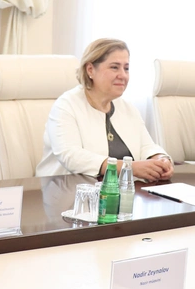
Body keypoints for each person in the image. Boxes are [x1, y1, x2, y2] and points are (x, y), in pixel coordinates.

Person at [35, 38, 173, 182]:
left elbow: (146, 146)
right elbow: (71, 156)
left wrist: (160, 159)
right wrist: (128, 167)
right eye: (114, 67)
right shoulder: (66, 105)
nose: (123, 75)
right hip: (66, 189)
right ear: (90, 69)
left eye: (126, 68)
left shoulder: (127, 107)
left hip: (115, 189)